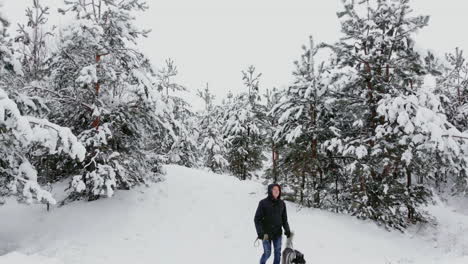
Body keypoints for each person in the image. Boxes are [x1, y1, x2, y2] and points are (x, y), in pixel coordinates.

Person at [254, 183, 291, 264]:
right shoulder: (263, 203)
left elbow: (284, 219)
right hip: (266, 234)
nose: (276, 191)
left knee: (277, 253)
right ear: (270, 191)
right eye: (274, 189)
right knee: (267, 253)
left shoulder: (282, 203)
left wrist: (287, 230)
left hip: (277, 233)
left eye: (278, 190)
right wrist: (260, 232)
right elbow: (257, 219)